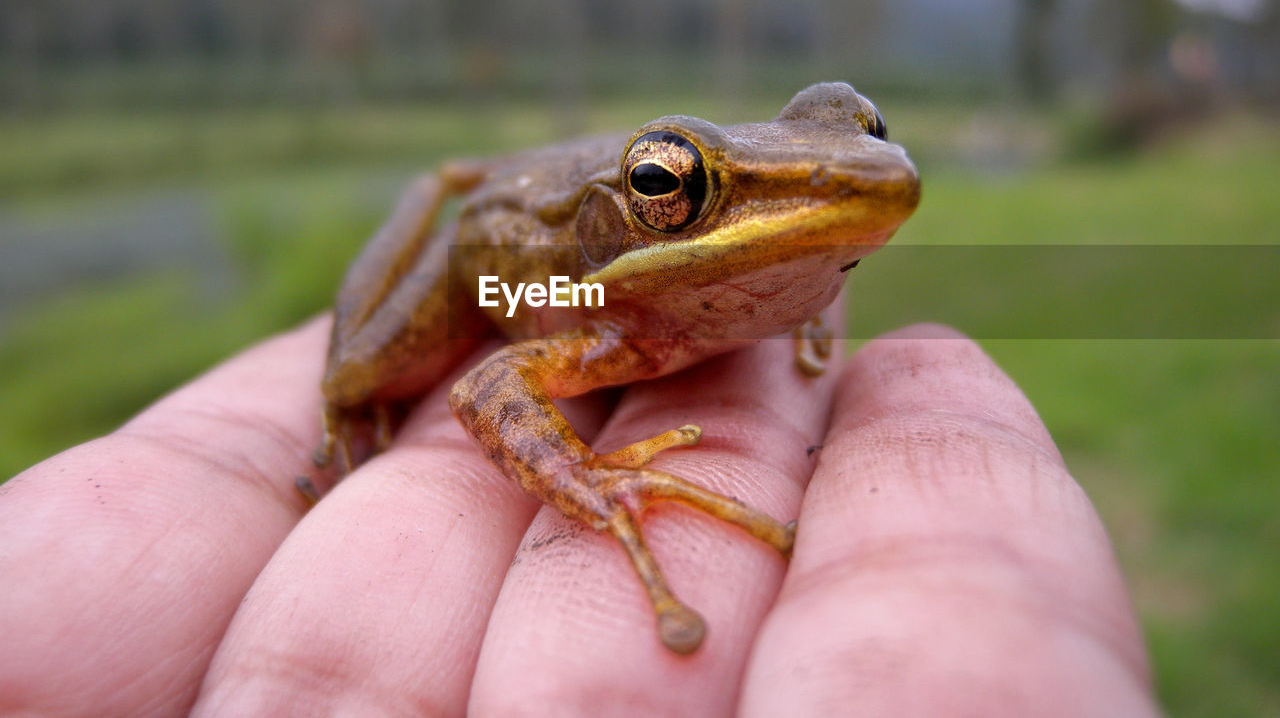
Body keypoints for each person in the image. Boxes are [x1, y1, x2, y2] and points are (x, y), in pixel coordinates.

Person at [0, 315, 1158, 716]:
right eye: (673, 185)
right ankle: (346, 392)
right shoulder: (582, 312)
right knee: (382, 361)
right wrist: (587, 481)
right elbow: (491, 381)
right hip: (512, 272)